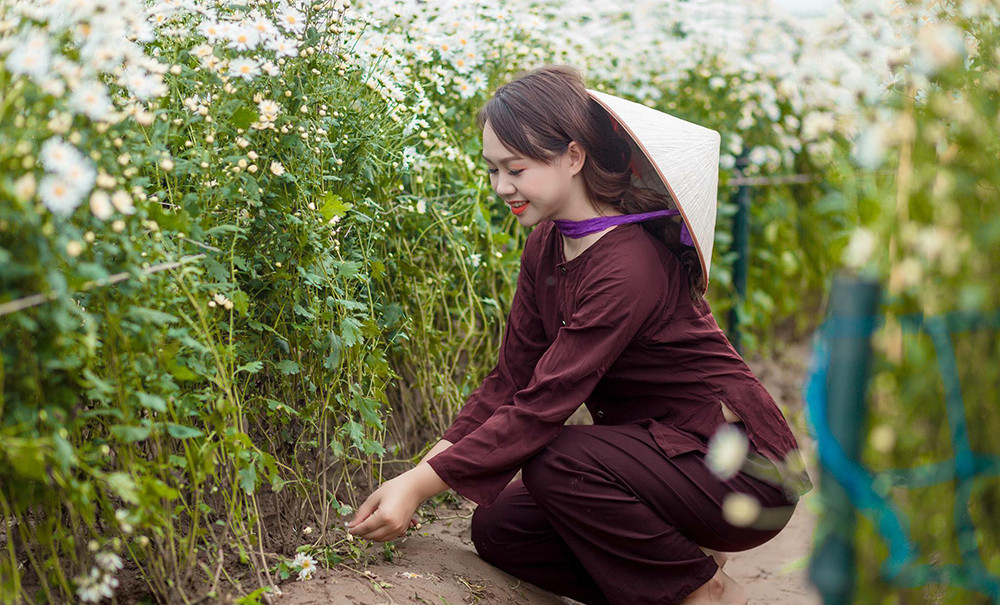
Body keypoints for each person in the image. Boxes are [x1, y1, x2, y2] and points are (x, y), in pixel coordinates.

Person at [346, 64, 811, 605]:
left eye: (515, 169)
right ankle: (678, 560)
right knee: (500, 529)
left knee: (555, 459)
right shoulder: (546, 244)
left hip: (740, 469)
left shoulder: (627, 264)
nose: (501, 187)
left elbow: (543, 406)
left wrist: (419, 486)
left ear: (572, 156)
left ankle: (700, 591)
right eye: (493, 170)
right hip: (663, 459)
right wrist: (419, 475)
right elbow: (509, 382)